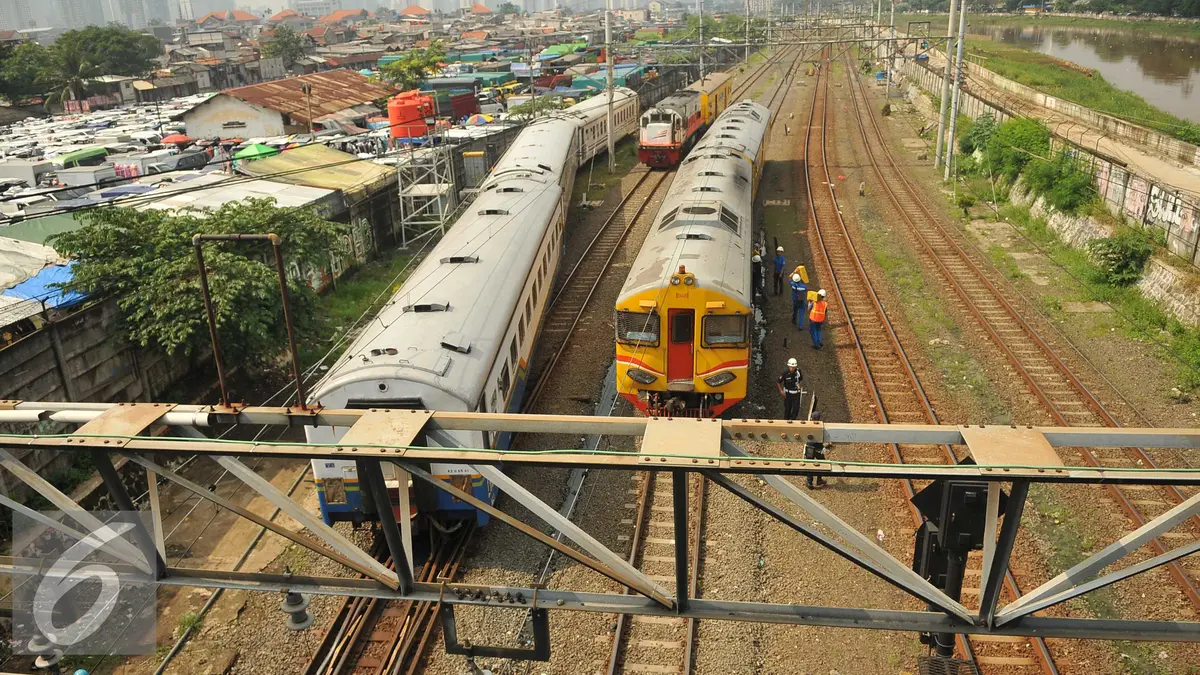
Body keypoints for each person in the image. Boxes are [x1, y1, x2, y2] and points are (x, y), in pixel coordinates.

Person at [805, 410, 827, 489]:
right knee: (821, 463)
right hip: (818, 448)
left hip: (810, 447)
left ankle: (809, 482)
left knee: (809, 464)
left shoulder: (808, 425)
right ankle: (819, 479)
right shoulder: (821, 426)